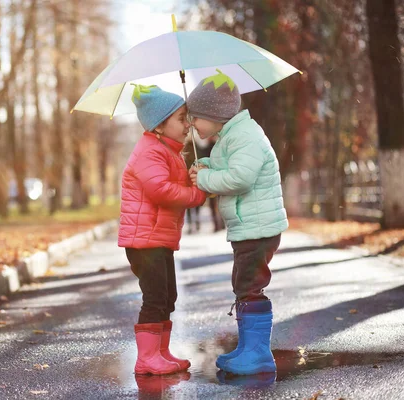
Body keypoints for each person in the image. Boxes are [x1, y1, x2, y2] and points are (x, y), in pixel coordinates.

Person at [187, 69, 288, 375]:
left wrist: (205, 178)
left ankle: (258, 354)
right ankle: (248, 348)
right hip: (249, 228)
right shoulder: (232, 135)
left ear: (214, 114)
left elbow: (241, 177)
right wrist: (206, 165)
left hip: (257, 229)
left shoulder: (245, 136)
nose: (191, 124)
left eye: (195, 117)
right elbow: (226, 165)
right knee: (244, 284)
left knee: (249, 285)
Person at [119, 84, 207, 375]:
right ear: (159, 124)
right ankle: (146, 358)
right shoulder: (150, 151)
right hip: (144, 241)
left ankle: (160, 352)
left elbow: (175, 184)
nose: (188, 124)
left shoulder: (169, 151)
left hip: (159, 239)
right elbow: (161, 191)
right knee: (155, 297)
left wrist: (194, 174)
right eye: (182, 118)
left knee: (168, 297)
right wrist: (197, 195)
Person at [183, 136, 224, 233]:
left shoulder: (196, 148)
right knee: (214, 204)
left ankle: (197, 225)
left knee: (196, 205)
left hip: (196, 178)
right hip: (206, 177)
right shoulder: (200, 148)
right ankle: (218, 224)